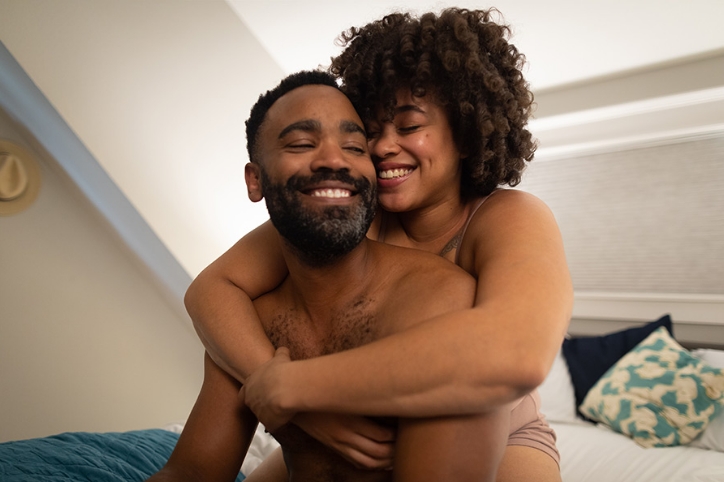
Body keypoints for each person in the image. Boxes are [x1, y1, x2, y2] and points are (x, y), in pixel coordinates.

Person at [186, 8, 573, 481]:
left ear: (467, 135)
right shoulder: (352, 209)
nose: (383, 146)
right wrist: (289, 397)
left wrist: (298, 387)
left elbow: (516, 354)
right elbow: (211, 291)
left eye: (408, 127)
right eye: (371, 131)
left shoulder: (507, 217)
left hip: (497, 426)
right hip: (343, 416)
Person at [149, 70, 510, 482]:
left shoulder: (438, 303)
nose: (334, 160)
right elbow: (190, 474)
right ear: (256, 181)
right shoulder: (250, 324)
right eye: (302, 144)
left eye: (355, 147)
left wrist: (294, 393)